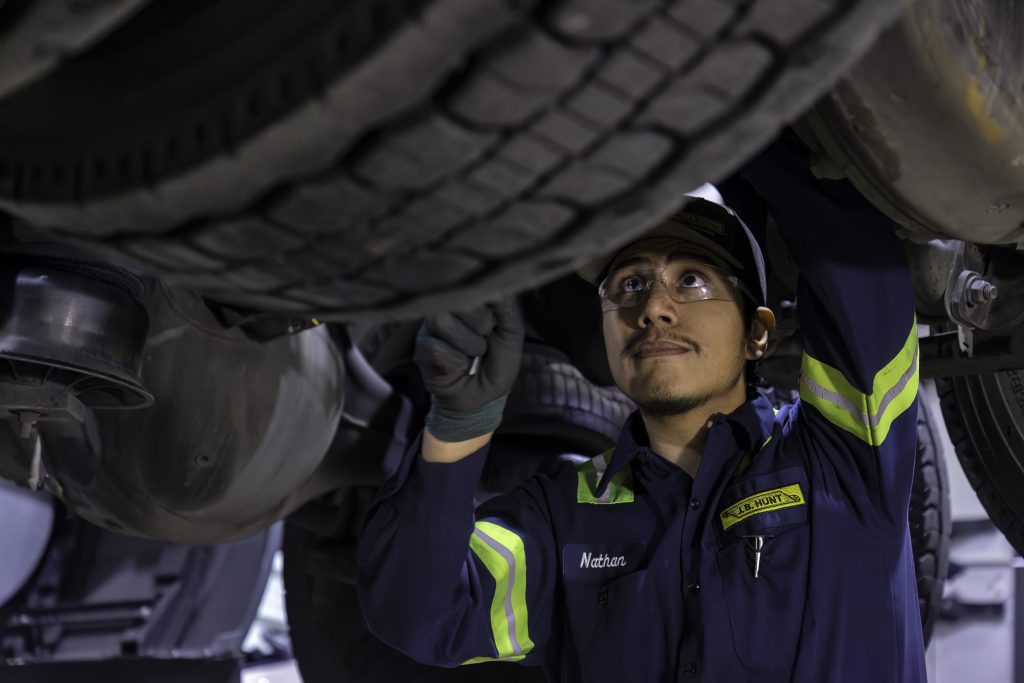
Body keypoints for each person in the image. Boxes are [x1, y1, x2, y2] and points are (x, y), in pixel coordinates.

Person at [357, 133, 926, 682]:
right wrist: (458, 426)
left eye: (693, 279)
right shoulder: (563, 518)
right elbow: (422, 616)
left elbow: (852, 248)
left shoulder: (841, 461)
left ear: (757, 331)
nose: (654, 306)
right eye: (628, 285)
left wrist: (743, 110)